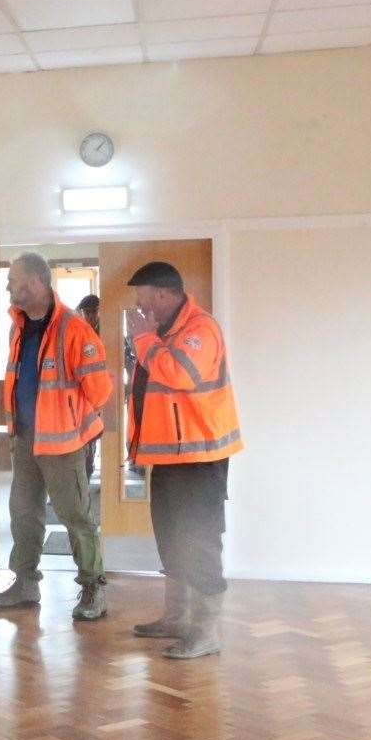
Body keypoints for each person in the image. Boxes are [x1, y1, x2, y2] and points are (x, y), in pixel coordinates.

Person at [125, 261, 242, 658]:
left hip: (199, 456)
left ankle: (206, 631)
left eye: (143, 299)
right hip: (169, 456)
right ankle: (177, 618)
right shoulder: (163, 332)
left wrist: (142, 340)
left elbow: (180, 374)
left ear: (162, 294)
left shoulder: (200, 329)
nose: (140, 309)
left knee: (200, 540)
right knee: (171, 536)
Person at [0, 254, 112, 619]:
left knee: (75, 515)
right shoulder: (18, 326)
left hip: (64, 442)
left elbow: (100, 391)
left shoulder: (74, 330)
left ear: (39, 284)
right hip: (25, 439)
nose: (10, 287)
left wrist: (71, 419)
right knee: (24, 513)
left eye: (16, 281)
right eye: (10, 281)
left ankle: (93, 588)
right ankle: (25, 583)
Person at [75, 294, 102, 484]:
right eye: (87, 312)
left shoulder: (107, 331)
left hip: (101, 395)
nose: (90, 316)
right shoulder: (78, 333)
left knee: (95, 437)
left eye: (93, 312)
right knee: (83, 439)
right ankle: (83, 477)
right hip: (80, 397)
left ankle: (89, 472)